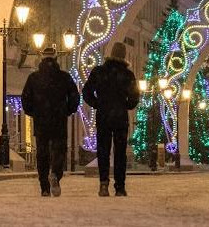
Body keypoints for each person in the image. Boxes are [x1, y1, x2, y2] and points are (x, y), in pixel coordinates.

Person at [83, 42, 140, 197]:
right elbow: (135, 96)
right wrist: (126, 105)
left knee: (103, 151)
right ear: (123, 56)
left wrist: (97, 103)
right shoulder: (128, 75)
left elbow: (86, 91)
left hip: (104, 116)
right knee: (120, 152)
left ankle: (103, 183)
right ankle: (120, 187)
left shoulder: (99, 72)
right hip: (120, 117)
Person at [22, 47, 80, 197]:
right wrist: (67, 110)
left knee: (42, 153)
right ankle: (55, 173)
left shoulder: (34, 78)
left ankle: (44, 187)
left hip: (41, 121)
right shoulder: (64, 77)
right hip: (58, 120)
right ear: (56, 59)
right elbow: (75, 96)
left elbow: (25, 99)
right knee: (58, 150)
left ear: (42, 59)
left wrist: (33, 112)